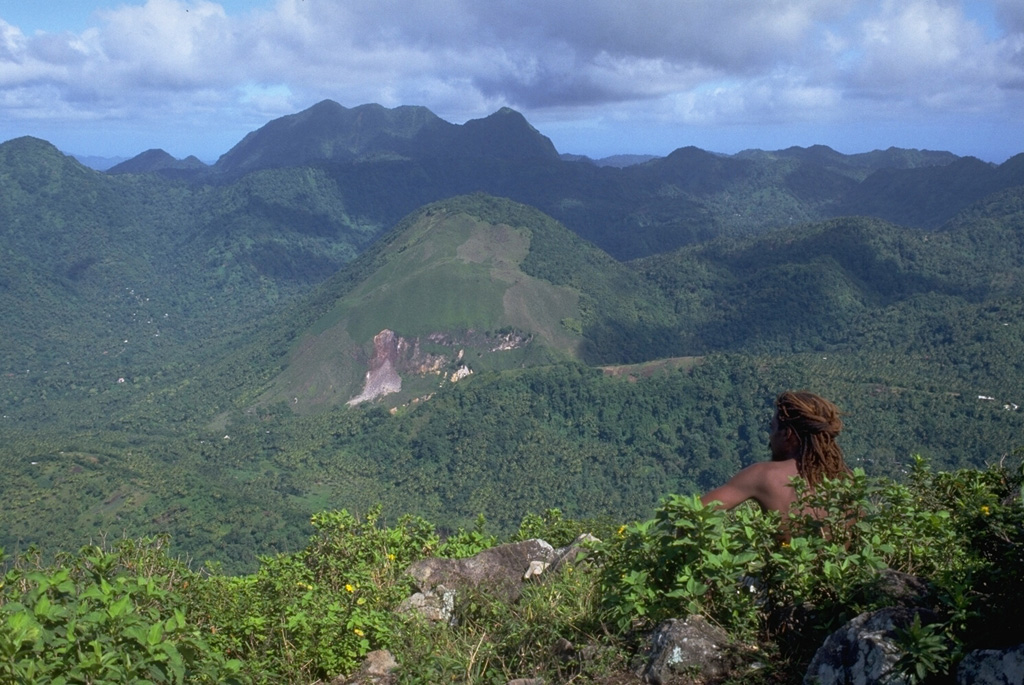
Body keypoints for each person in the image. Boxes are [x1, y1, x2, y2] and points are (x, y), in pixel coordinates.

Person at [700, 391, 851, 519]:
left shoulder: (764, 475)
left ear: (787, 434)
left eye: (772, 428)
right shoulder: (848, 482)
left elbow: (695, 513)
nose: (770, 437)